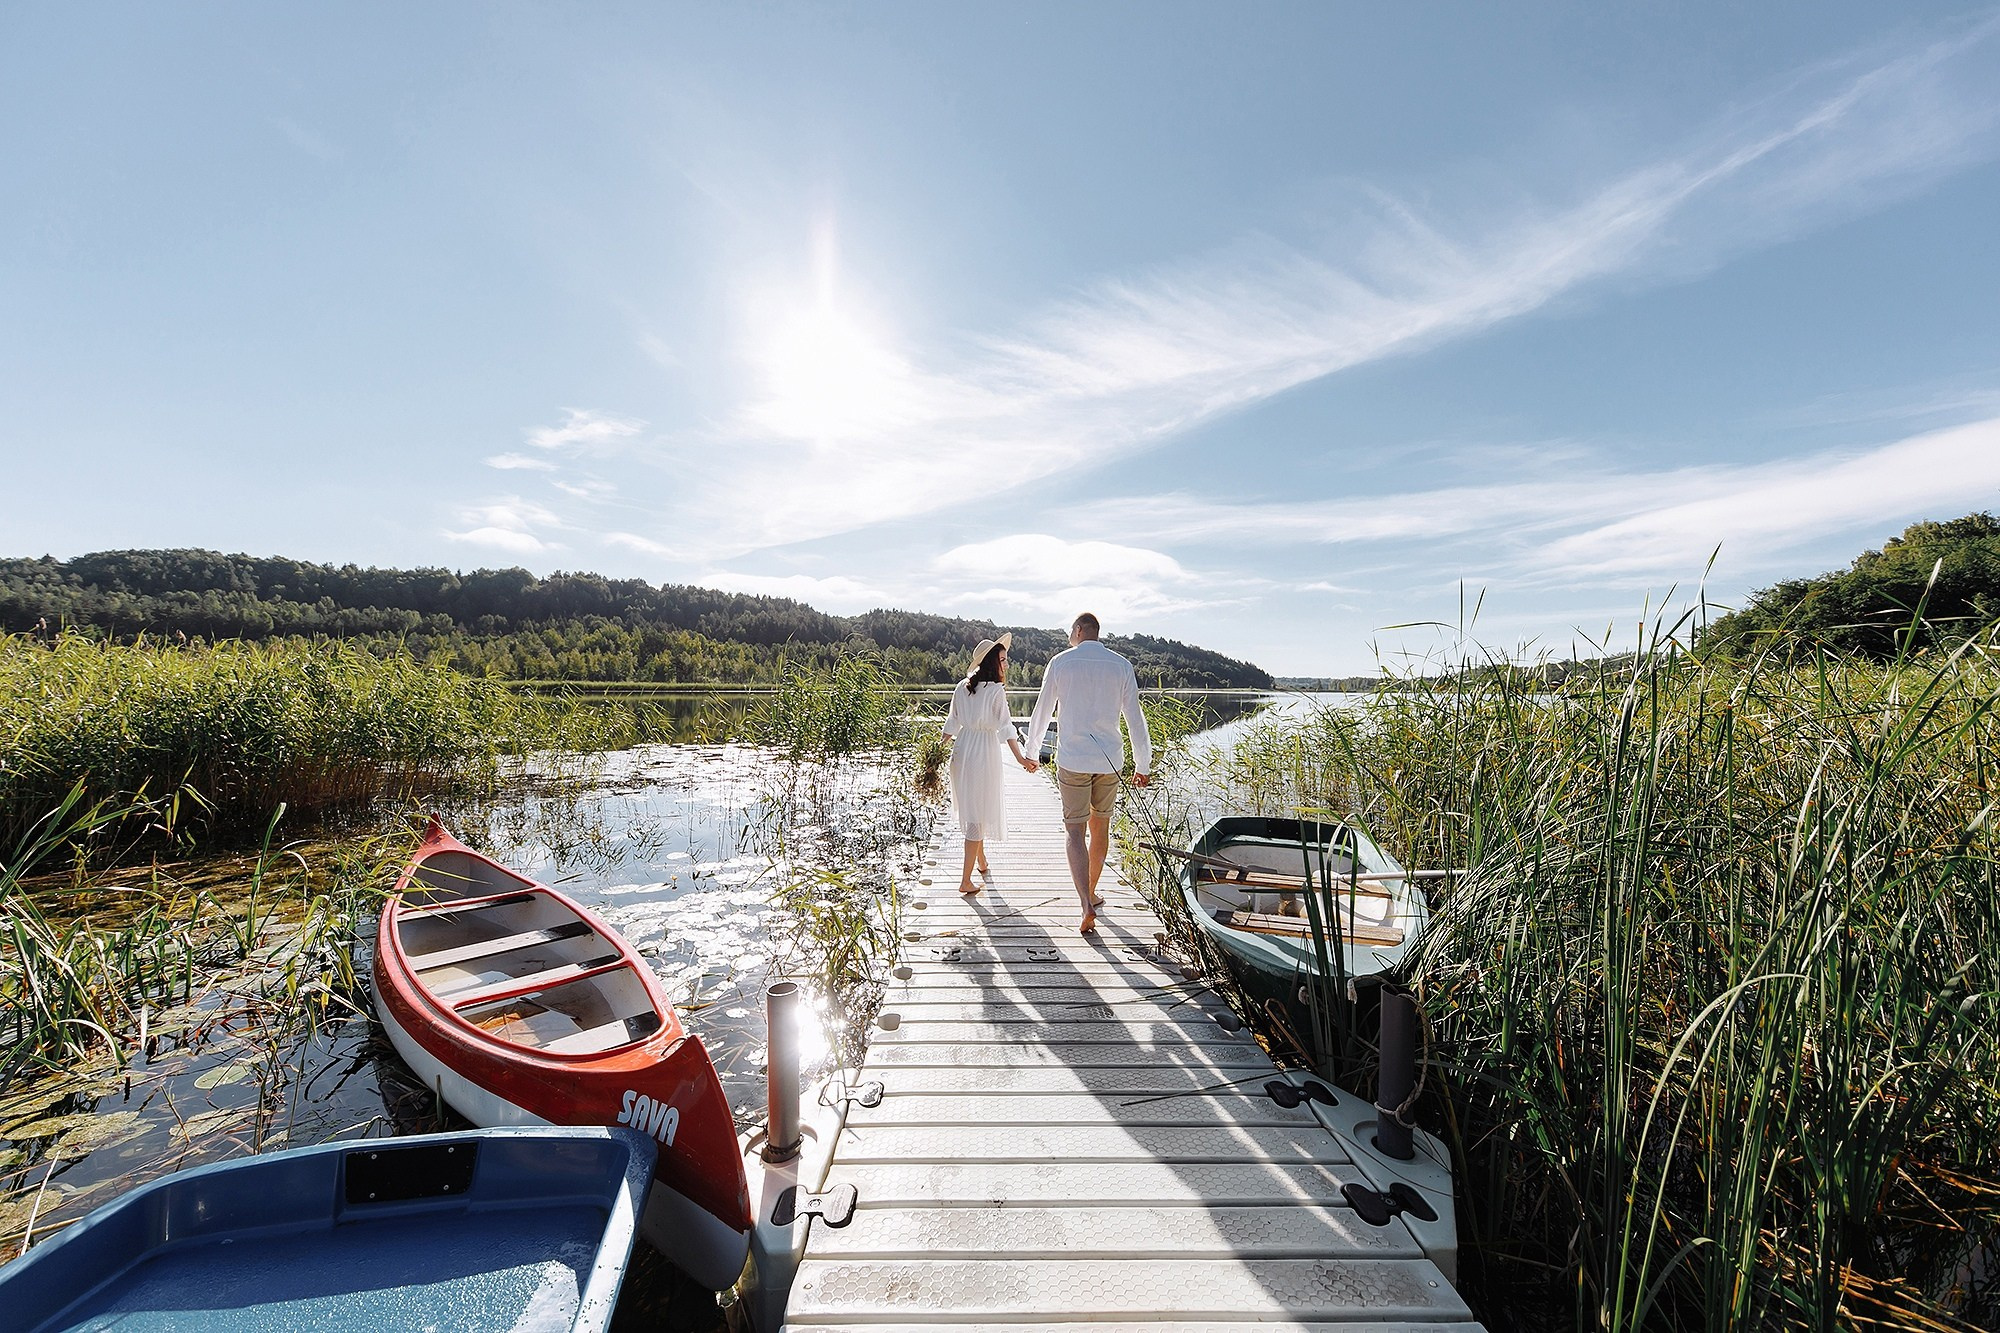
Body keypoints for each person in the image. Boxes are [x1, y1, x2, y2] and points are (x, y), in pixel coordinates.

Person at [1024, 612, 1151, 933]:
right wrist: (1143, 763)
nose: (1070, 633)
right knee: (1101, 829)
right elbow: (1135, 719)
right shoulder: (1121, 665)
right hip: (1109, 761)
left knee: (1074, 832)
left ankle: (1084, 904)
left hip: (1074, 760)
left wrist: (1031, 752)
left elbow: (1043, 710)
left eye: (1071, 629)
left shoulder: (1061, 663)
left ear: (1079, 631)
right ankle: (1092, 893)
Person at [942, 634, 1038, 895]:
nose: (1006, 665)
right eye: (1003, 660)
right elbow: (1006, 728)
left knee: (974, 807)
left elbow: (952, 723)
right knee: (977, 811)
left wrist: (938, 751)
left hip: (962, 750)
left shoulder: (963, 686)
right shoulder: (996, 691)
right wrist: (1020, 759)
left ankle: (981, 861)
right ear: (990, 663)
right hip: (983, 752)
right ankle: (965, 880)